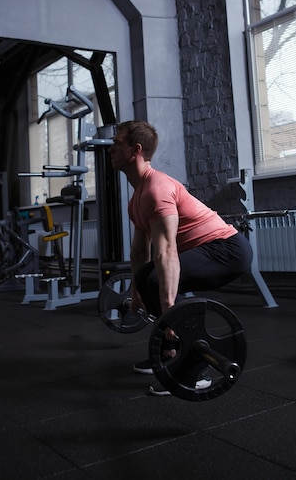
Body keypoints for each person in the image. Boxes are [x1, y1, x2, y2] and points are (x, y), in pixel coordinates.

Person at [109, 120, 253, 396]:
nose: (111, 149)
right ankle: (168, 352)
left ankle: (194, 371)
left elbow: (165, 251)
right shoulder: (137, 197)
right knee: (146, 278)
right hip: (208, 249)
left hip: (227, 249)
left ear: (135, 150)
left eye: (117, 143)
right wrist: (137, 294)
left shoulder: (156, 189)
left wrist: (168, 307)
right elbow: (140, 252)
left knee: (156, 281)